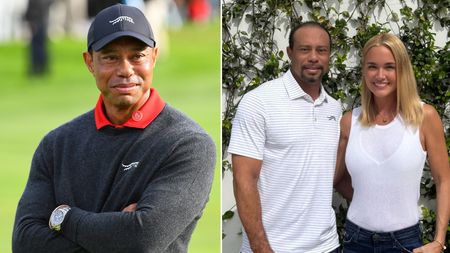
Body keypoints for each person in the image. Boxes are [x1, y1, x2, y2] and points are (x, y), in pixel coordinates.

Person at [12, 4, 216, 253]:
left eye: (137, 56)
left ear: (153, 57)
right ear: (89, 62)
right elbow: (24, 241)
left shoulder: (188, 144)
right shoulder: (56, 145)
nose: (125, 70)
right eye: (110, 57)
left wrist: (63, 218)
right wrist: (116, 232)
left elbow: (143, 237)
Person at [228, 21, 342, 253]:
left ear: (329, 55)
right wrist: (261, 247)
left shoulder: (334, 108)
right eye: (304, 49)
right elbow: (243, 180)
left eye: (321, 50)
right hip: (274, 248)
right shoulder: (259, 102)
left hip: (327, 246)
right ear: (289, 52)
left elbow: (332, 175)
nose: (313, 57)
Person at [334, 33, 450, 253]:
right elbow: (338, 179)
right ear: (364, 71)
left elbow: (444, 180)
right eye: (372, 67)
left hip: (405, 243)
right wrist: (372, 199)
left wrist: (439, 240)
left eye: (389, 66)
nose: (380, 75)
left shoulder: (424, 117)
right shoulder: (350, 121)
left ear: (402, 70)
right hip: (355, 241)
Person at [24, 0, 54, 76]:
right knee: (40, 46)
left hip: (37, 21)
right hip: (40, 21)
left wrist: (30, 19)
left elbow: (33, 8)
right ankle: (41, 68)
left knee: (37, 47)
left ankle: (38, 68)